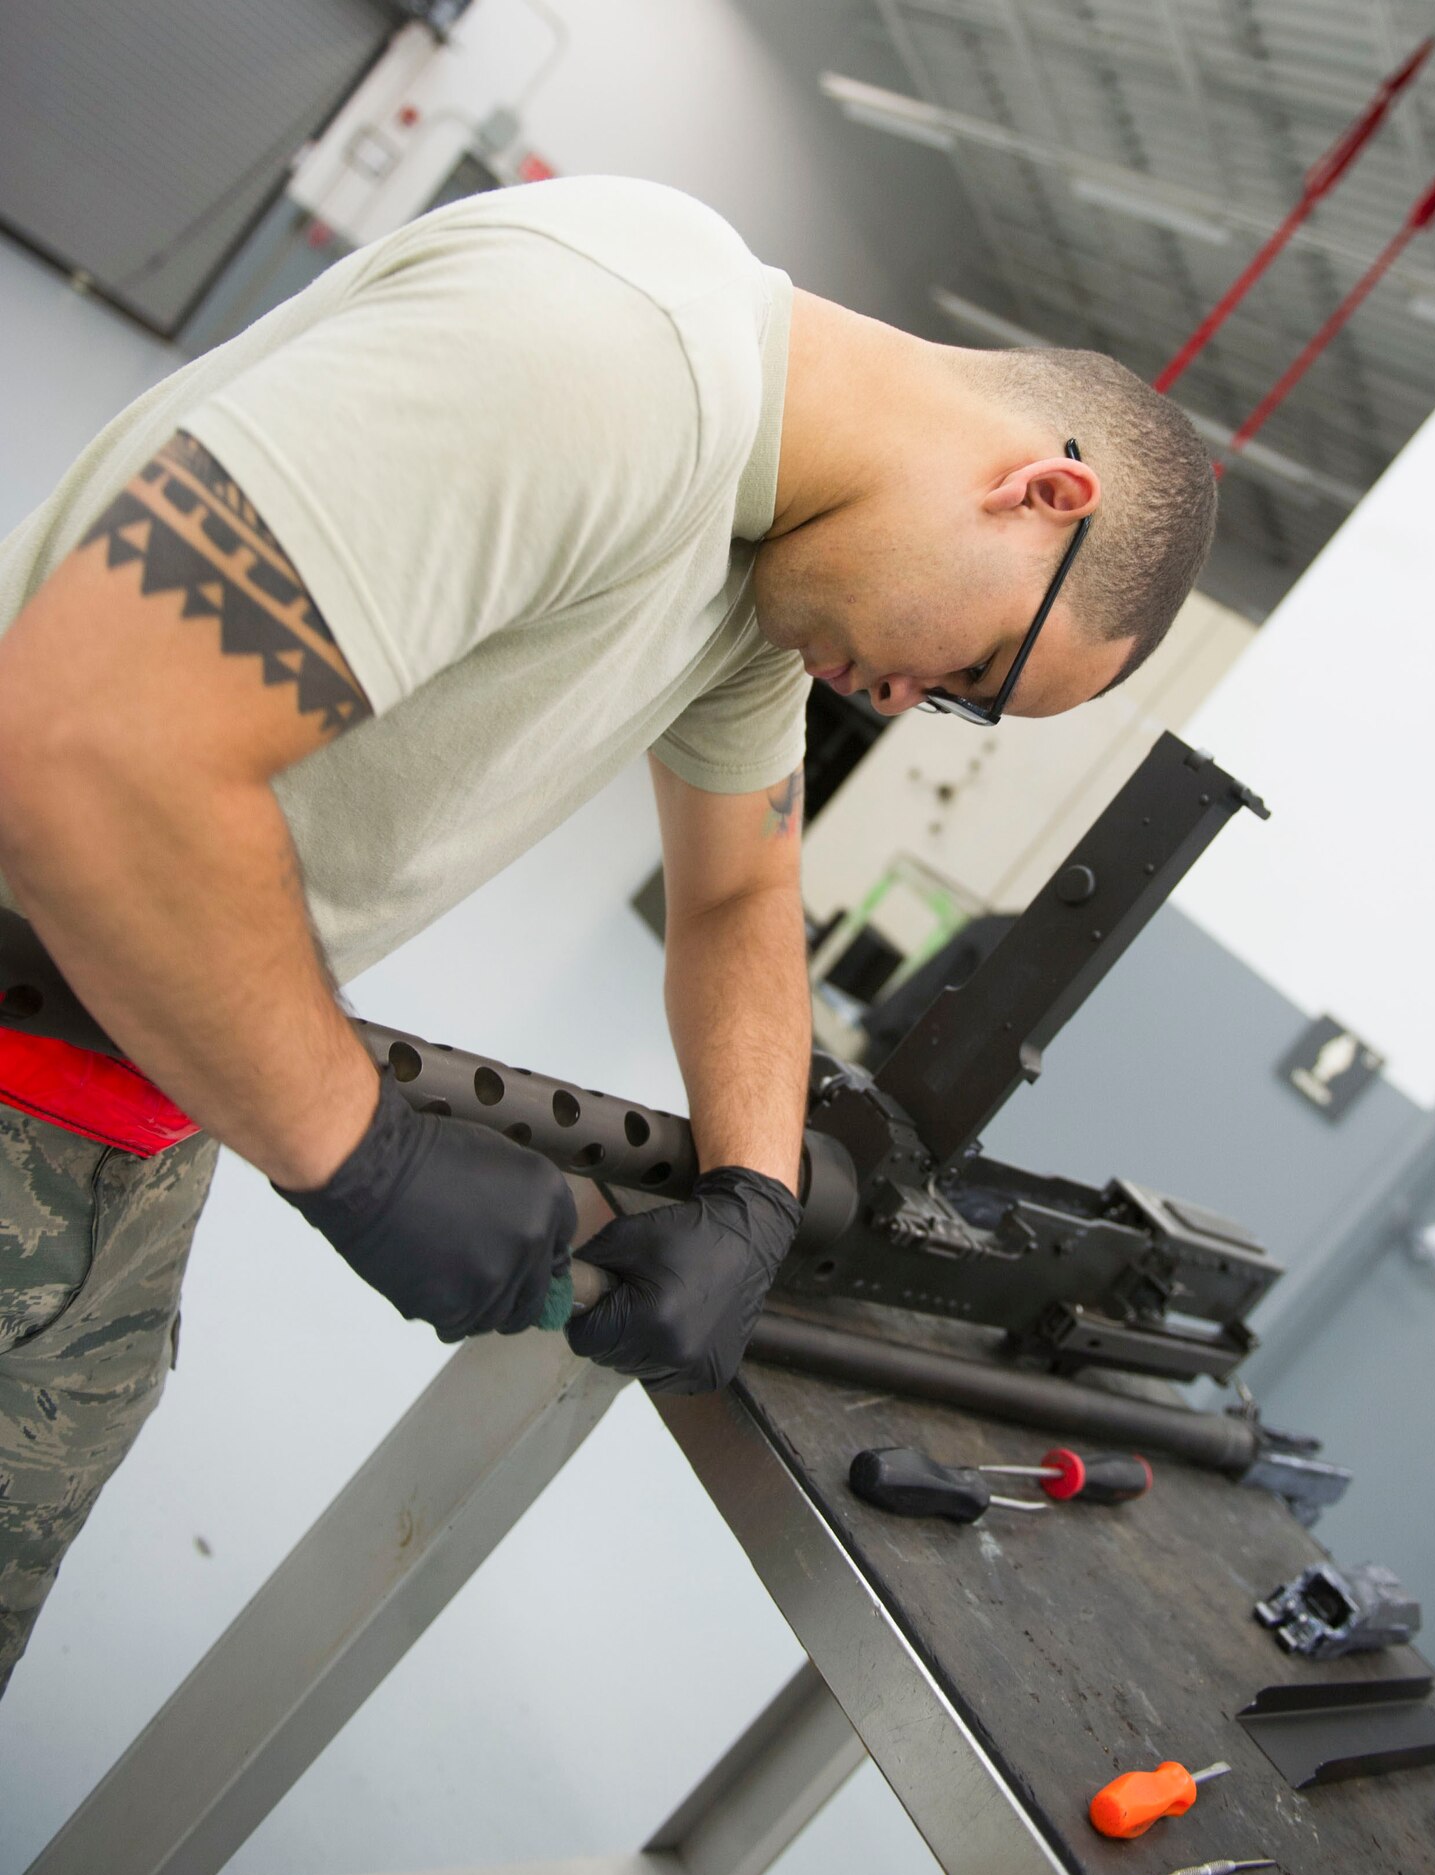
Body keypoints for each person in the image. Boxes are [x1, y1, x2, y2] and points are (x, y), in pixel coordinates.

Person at [0, 175, 1216, 1694]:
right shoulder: (610, 360)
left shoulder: (755, 563)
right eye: (971, 674)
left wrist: (754, 1197)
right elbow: (86, 745)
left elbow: (740, 893)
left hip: (133, 1103)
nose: (906, 703)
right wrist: (361, 1152)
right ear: (1041, 494)